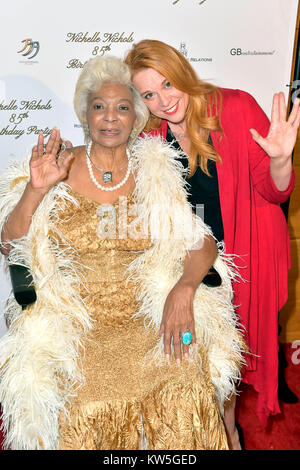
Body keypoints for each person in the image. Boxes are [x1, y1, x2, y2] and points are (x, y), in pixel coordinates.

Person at [0, 56, 244, 450]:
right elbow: (11, 245)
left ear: (136, 119)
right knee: (85, 401)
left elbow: (200, 242)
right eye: (99, 107)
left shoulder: (154, 170)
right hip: (79, 326)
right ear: (85, 115)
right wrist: (36, 189)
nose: (110, 117)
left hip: (149, 316)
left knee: (185, 383)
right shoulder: (58, 164)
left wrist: (182, 289)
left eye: (122, 108)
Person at [125, 39, 300, 449]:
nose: (164, 101)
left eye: (168, 84)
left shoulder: (235, 108)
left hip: (242, 253)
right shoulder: (149, 131)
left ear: (182, 70)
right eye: (149, 94)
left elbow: (274, 192)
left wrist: (279, 160)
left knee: (223, 376)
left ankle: (229, 435)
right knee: (192, 368)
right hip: (190, 262)